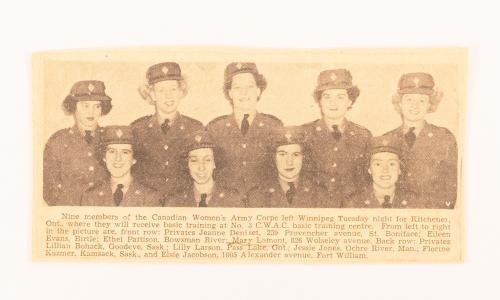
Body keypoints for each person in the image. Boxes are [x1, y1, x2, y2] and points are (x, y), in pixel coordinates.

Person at [206, 62, 283, 196]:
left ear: (258, 90)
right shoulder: (215, 128)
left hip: (264, 203)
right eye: (237, 87)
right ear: (229, 93)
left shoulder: (274, 126)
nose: (244, 92)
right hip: (226, 203)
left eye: (250, 86)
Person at [383, 73, 457, 209]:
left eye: (422, 100)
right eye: (409, 99)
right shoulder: (386, 139)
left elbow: (449, 191)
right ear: (399, 102)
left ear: (430, 104)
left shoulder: (444, 138)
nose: (415, 105)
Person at [131, 62, 204, 198]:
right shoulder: (137, 129)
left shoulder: (196, 128)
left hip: (183, 204)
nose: (168, 96)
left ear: (181, 92)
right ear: (152, 94)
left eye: (173, 89)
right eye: (161, 91)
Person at [302, 69, 372, 207]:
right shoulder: (304, 134)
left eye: (340, 97)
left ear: (350, 101)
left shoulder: (363, 136)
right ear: (319, 101)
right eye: (327, 97)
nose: (333, 103)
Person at [43, 80, 112, 205]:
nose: (91, 112)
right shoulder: (57, 141)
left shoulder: (111, 138)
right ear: (74, 107)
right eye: (85, 106)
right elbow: (48, 190)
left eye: (97, 106)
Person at [247, 126, 330, 208]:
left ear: (304, 157)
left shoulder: (320, 194)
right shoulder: (257, 196)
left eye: (295, 154)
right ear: (273, 157)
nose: (289, 162)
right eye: (282, 154)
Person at [81, 126, 162, 206]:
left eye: (125, 152)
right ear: (104, 157)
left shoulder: (150, 197)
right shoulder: (90, 196)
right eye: (112, 151)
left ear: (134, 158)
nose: (118, 158)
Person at [166, 130, 242, 207]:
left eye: (207, 160)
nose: (201, 167)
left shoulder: (234, 200)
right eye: (194, 160)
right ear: (187, 164)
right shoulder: (174, 201)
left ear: (215, 162)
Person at [344, 136, 417, 208]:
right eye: (378, 164)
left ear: (399, 169)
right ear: (369, 169)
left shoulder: (415, 201)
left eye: (392, 164)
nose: (385, 170)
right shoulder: (352, 202)